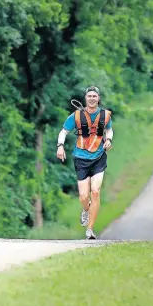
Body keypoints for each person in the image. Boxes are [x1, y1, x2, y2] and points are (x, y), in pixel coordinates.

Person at [56, 86, 113, 240]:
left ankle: (90, 230)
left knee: (95, 191)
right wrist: (60, 146)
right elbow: (63, 132)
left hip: (99, 158)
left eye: (95, 96)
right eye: (89, 96)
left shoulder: (105, 115)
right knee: (83, 196)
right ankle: (86, 209)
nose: (92, 98)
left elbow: (109, 130)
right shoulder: (76, 116)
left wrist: (108, 139)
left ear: (98, 98)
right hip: (81, 158)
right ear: (85, 98)